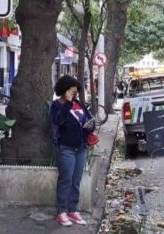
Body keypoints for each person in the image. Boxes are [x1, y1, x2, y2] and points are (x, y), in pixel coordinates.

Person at [49, 75, 94, 227]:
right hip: (65, 148)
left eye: (74, 92)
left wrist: (90, 126)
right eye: (71, 91)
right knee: (65, 179)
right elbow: (57, 121)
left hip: (80, 147)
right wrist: (67, 103)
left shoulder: (79, 103)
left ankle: (72, 210)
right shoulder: (57, 105)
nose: (73, 94)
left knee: (76, 181)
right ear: (64, 90)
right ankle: (61, 211)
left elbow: (89, 119)